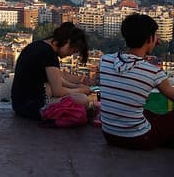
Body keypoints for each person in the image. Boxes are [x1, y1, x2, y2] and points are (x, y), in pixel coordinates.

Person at [99, 13, 174, 149]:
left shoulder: (105, 60)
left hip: (109, 135)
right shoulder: (152, 72)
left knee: (148, 113)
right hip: (138, 139)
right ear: (150, 38)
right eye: (155, 35)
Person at [11, 22, 90, 120]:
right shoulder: (49, 55)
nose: (70, 55)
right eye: (73, 50)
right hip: (33, 106)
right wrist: (80, 90)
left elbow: (55, 79)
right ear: (67, 42)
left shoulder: (37, 46)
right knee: (83, 100)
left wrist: (74, 86)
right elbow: (58, 91)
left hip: (19, 103)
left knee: (52, 87)